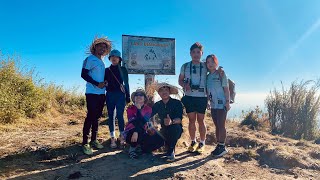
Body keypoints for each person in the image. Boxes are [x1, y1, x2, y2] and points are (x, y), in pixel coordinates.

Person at [80, 37, 111, 155]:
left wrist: (104, 83)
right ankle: (85, 143)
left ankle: (94, 140)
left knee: (97, 117)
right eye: (100, 46)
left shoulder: (102, 62)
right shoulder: (90, 59)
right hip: (91, 93)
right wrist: (97, 84)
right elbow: (83, 74)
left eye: (104, 47)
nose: (102, 49)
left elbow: (100, 77)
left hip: (101, 93)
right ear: (95, 47)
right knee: (91, 116)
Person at [178, 42, 207, 154]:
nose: (196, 54)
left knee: (201, 120)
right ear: (190, 53)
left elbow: (214, 71)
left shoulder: (205, 66)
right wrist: (185, 85)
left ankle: (202, 143)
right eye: (193, 52)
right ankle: (193, 142)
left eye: (198, 52)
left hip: (201, 97)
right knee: (191, 120)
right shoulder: (185, 66)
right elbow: (180, 80)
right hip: (189, 97)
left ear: (202, 53)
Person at [123, 89, 164, 159]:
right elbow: (133, 121)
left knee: (160, 139)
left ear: (144, 98)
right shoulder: (130, 108)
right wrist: (136, 131)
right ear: (134, 98)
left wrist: (138, 110)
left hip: (144, 131)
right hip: (131, 132)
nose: (138, 96)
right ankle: (132, 149)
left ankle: (143, 149)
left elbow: (143, 121)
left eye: (141, 95)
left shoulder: (148, 109)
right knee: (136, 129)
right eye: (136, 95)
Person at [105, 49, 130, 148]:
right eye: (112, 57)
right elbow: (105, 82)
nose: (114, 58)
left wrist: (128, 95)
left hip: (120, 95)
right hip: (110, 94)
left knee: (120, 115)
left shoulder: (123, 69)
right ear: (110, 59)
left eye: (116, 57)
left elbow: (126, 83)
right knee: (111, 116)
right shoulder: (107, 70)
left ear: (119, 59)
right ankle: (112, 138)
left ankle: (122, 136)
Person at [151, 83, 183, 161]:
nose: (164, 92)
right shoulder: (157, 105)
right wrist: (154, 125)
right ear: (158, 93)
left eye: (166, 90)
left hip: (174, 129)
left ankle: (171, 150)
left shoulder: (177, 103)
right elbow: (150, 117)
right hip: (162, 131)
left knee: (175, 128)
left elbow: (180, 119)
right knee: (149, 145)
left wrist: (171, 121)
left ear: (169, 91)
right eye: (161, 90)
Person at [206, 54, 230, 157]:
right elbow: (208, 91)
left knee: (221, 125)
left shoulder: (221, 74)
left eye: (212, 61)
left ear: (216, 63)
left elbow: (226, 88)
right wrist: (207, 101)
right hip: (213, 104)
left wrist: (228, 101)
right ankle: (219, 145)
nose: (210, 64)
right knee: (217, 126)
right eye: (208, 62)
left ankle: (222, 147)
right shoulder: (207, 76)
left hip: (222, 104)